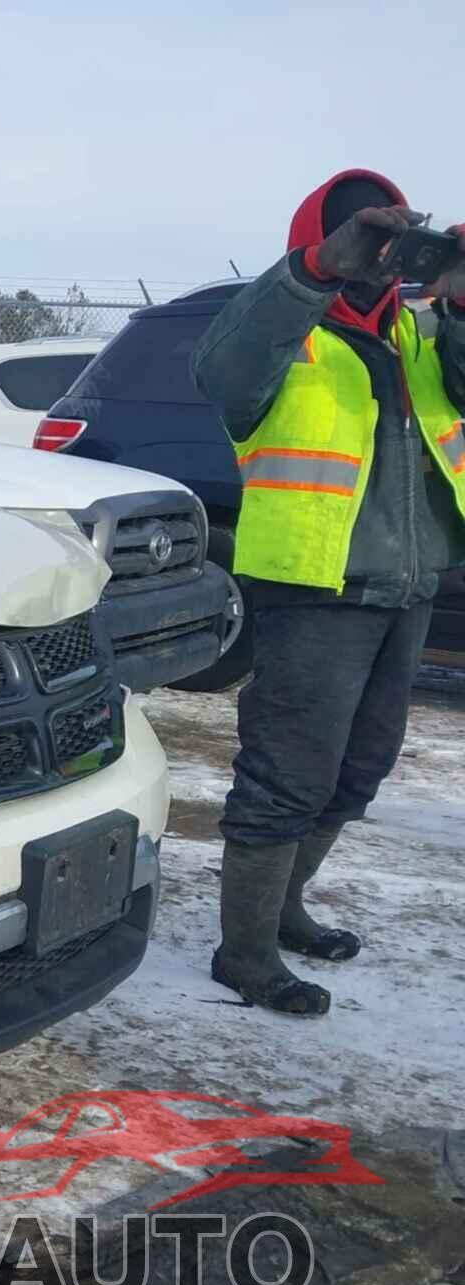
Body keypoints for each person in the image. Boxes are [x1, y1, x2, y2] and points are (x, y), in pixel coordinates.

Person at [192, 169, 465, 1017]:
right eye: (365, 238)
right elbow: (224, 374)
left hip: (404, 587)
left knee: (359, 771)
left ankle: (286, 910)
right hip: (313, 588)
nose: (382, 258)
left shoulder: (416, 337)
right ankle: (244, 953)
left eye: (393, 240)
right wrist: (313, 271)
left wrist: (457, 301)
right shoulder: (284, 327)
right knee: (287, 776)